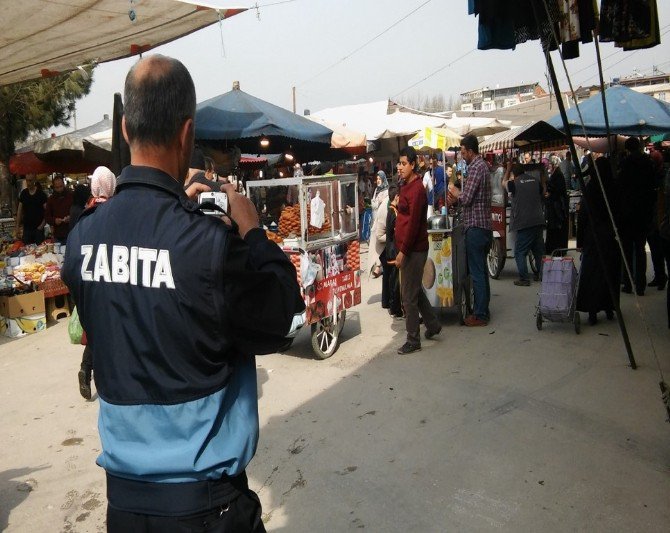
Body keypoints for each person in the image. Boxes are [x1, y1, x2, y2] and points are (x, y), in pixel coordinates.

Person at [61, 54, 303, 532]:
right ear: (187, 134)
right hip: (205, 506)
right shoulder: (209, 246)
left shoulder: (81, 241)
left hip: (125, 508)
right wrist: (251, 232)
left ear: (126, 128)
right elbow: (283, 316)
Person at [394, 146, 441, 354]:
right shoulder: (405, 185)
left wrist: (403, 251)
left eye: (404, 164)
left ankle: (413, 340)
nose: (400, 167)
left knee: (408, 297)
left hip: (414, 249)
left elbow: (413, 224)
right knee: (415, 291)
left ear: (413, 165)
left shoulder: (418, 190)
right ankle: (433, 325)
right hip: (408, 248)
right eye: (399, 163)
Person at [76, 166, 116, 401]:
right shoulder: (115, 211)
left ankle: (85, 369)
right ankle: (104, 377)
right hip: (111, 278)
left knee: (93, 330)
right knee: (110, 331)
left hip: (89, 280)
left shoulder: (86, 212)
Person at [448, 135, 492, 326]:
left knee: (477, 272)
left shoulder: (476, 167)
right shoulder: (482, 167)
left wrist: (456, 192)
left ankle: (480, 314)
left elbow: (466, 198)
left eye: (463, 151)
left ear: (470, 151)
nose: (462, 155)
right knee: (481, 271)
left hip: (476, 227)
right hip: (483, 226)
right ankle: (483, 309)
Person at [576, 157, 621, 325]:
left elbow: (583, 216)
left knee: (593, 274)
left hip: (593, 238)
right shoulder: (615, 187)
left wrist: (580, 241)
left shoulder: (592, 188)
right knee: (609, 273)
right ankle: (609, 307)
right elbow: (620, 213)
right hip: (611, 238)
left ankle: (593, 311)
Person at [618, 137, 656, 296]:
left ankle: (628, 282)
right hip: (643, 212)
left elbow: (621, 186)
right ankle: (640, 284)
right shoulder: (648, 162)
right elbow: (652, 185)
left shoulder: (626, 163)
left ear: (627, 149)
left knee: (627, 249)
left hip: (628, 213)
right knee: (640, 249)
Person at [506, 163, 545, 286]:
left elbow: (504, 182)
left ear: (514, 174)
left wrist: (507, 169)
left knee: (520, 252)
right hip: (538, 220)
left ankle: (524, 278)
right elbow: (543, 191)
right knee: (538, 251)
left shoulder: (513, 184)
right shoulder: (535, 181)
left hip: (524, 222)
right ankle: (542, 274)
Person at [384, 183, 402, 317]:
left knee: (393, 279)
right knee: (395, 281)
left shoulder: (390, 210)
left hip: (390, 250)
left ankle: (393, 306)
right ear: (396, 197)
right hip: (393, 251)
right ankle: (395, 308)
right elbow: (396, 232)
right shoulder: (393, 212)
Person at [544, 156, 569, 254]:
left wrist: (550, 194)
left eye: (550, 164)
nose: (549, 166)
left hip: (557, 206)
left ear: (554, 165)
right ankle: (553, 248)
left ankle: (556, 248)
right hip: (554, 205)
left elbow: (558, 190)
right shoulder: (556, 173)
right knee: (553, 228)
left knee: (556, 227)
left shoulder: (558, 175)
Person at [15, 174, 47, 244]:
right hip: (27, 229)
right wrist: (17, 227)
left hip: (38, 229)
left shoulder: (41, 194)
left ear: (34, 180)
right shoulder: (23, 193)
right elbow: (19, 211)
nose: (28, 183)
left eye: (30, 180)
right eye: (27, 180)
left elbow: (47, 212)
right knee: (26, 251)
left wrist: (41, 226)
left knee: (39, 251)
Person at [368, 170, 389, 278]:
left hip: (382, 220)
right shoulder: (376, 190)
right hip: (374, 219)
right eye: (377, 179)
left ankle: (378, 266)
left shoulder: (386, 191)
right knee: (376, 243)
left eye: (380, 179)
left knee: (380, 242)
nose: (378, 181)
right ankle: (378, 265)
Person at [44, 174, 73, 243]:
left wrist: (71, 217)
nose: (59, 189)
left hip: (71, 232)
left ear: (64, 185)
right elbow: (47, 217)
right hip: (58, 235)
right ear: (54, 187)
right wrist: (54, 220)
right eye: (57, 187)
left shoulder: (71, 196)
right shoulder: (51, 199)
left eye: (61, 186)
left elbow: (77, 212)